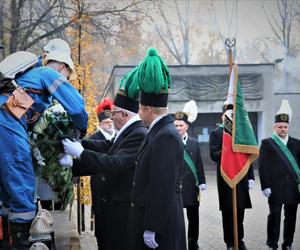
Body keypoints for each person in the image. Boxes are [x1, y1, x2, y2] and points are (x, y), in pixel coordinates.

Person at [0, 50, 88, 249]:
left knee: (7, 190)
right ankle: (22, 244)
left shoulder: (26, 79)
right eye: (67, 76)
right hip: (7, 124)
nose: (65, 80)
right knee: (22, 183)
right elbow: (77, 107)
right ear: (62, 67)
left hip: (6, 122)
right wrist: (79, 134)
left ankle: (6, 242)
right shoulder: (48, 74)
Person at [60, 66, 147, 250]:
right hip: (113, 209)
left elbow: (116, 163)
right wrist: (80, 143)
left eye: (113, 114)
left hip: (123, 212)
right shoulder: (129, 131)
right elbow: (107, 146)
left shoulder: (138, 133)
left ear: (123, 114)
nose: (111, 118)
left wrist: (80, 152)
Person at [129, 48, 186, 250]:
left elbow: (162, 186)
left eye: (139, 108)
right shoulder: (159, 132)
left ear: (148, 110)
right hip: (157, 220)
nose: (138, 113)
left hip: (162, 226)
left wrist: (152, 226)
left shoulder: (166, 137)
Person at [209, 104, 254, 250]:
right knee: (228, 211)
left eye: (233, 116)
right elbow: (213, 155)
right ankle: (229, 242)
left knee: (240, 210)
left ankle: (239, 240)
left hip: (241, 176)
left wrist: (251, 176)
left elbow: (247, 155)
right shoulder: (216, 133)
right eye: (228, 116)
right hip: (225, 176)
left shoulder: (241, 133)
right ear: (223, 117)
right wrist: (227, 150)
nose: (230, 118)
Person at [258, 100, 300, 250]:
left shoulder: (297, 143)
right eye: (280, 127)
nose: (283, 129)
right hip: (274, 188)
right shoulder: (267, 143)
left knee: (291, 218)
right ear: (274, 127)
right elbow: (263, 166)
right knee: (274, 216)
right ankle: (272, 244)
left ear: (288, 127)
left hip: (292, 188)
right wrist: (265, 186)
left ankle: (287, 243)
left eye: (285, 127)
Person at [173, 100, 206, 250]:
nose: (178, 128)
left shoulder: (194, 142)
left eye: (181, 125)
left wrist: (202, 181)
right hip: (176, 186)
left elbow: (199, 164)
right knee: (177, 219)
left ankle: (193, 244)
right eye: (176, 125)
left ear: (187, 126)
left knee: (194, 219)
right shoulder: (170, 141)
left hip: (192, 186)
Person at [89, 98, 115, 247]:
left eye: (111, 121)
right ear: (100, 123)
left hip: (115, 187)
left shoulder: (118, 137)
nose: (109, 124)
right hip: (99, 185)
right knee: (101, 224)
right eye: (106, 122)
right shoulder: (93, 139)